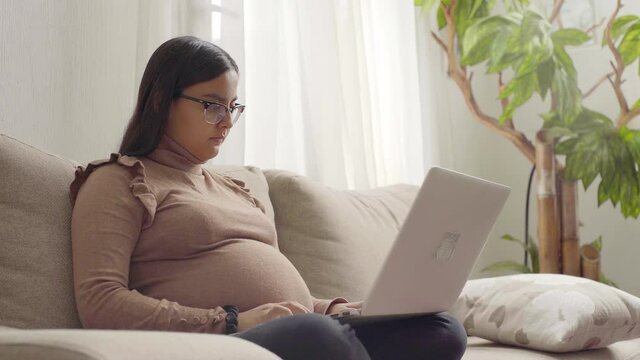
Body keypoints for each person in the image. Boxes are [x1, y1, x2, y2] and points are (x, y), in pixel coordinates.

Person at [69, 36, 467, 360]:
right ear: (160, 100)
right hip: (220, 342)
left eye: (232, 107)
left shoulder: (235, 188)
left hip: (298, 331)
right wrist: (231, 321)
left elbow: (289, 300)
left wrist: (329, 307)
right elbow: (101, 301)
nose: (226, 122)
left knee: (441, 328)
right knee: (319, 338)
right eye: (212, 106)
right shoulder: (119, 180)